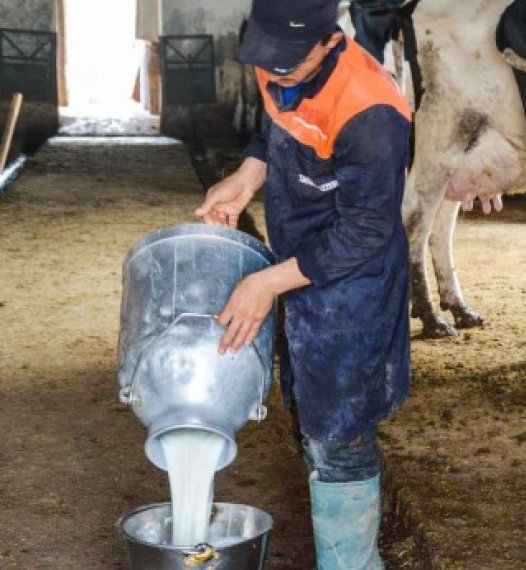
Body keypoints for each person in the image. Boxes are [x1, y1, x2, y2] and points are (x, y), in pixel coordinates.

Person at [194, 0, 412, 567]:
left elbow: (368, 228)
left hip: (354, 283)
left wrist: (268, 283)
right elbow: (276, 123)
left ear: (328, 40)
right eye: (266, 59)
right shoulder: (282, 61)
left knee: (339, 430)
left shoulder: (373, 110)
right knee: (313, 413)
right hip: (299, 262)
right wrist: (248, 175)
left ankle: (352, 564)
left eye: (286, 63)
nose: (274, 71)